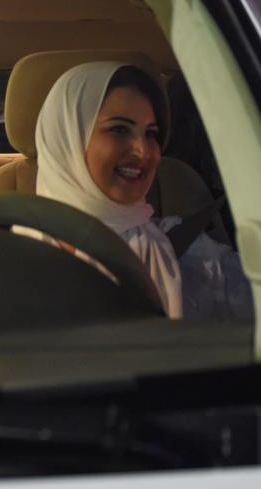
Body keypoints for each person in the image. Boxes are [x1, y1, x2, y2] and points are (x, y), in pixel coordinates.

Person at [34, 60, 183, 318]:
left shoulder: (185, 251)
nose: (143, 150)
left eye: (150, 133)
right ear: (69, 139)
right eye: (119, 129)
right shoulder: (2, 253)